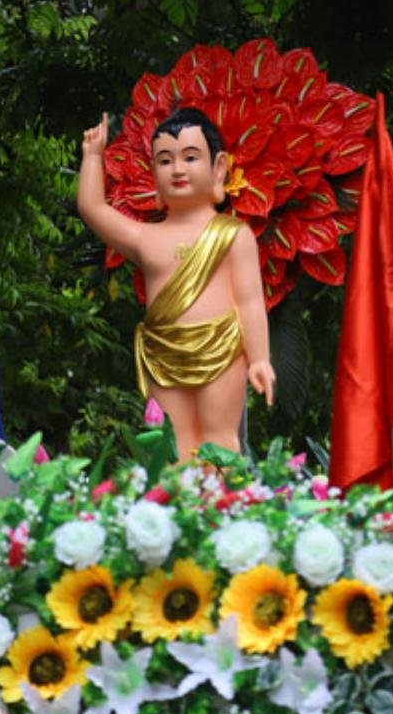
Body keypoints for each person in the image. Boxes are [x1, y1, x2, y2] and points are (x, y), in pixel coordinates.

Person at [78, 108, 275, 458]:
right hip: (163, 353)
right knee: (173, 441)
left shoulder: (233, 235)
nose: (178, 169)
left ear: (218, 169)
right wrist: (93, 157)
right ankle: (178, 511)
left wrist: (260, 358)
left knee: (218, 437)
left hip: (221, 350)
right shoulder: (146, 238)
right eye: (165, 161)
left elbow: (249, 302)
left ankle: (223, 509)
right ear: (154, 174)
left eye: (190, 157)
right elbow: (93, 209)